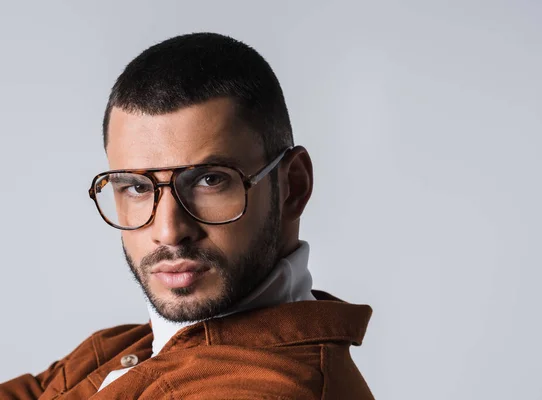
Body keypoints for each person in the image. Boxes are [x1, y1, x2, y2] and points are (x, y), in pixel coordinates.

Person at [0, 32, 374, 399]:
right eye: (137, 187)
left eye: (210, 180)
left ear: (293, 185)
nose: (168, 231)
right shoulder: (123, 348)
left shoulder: (268, 388)